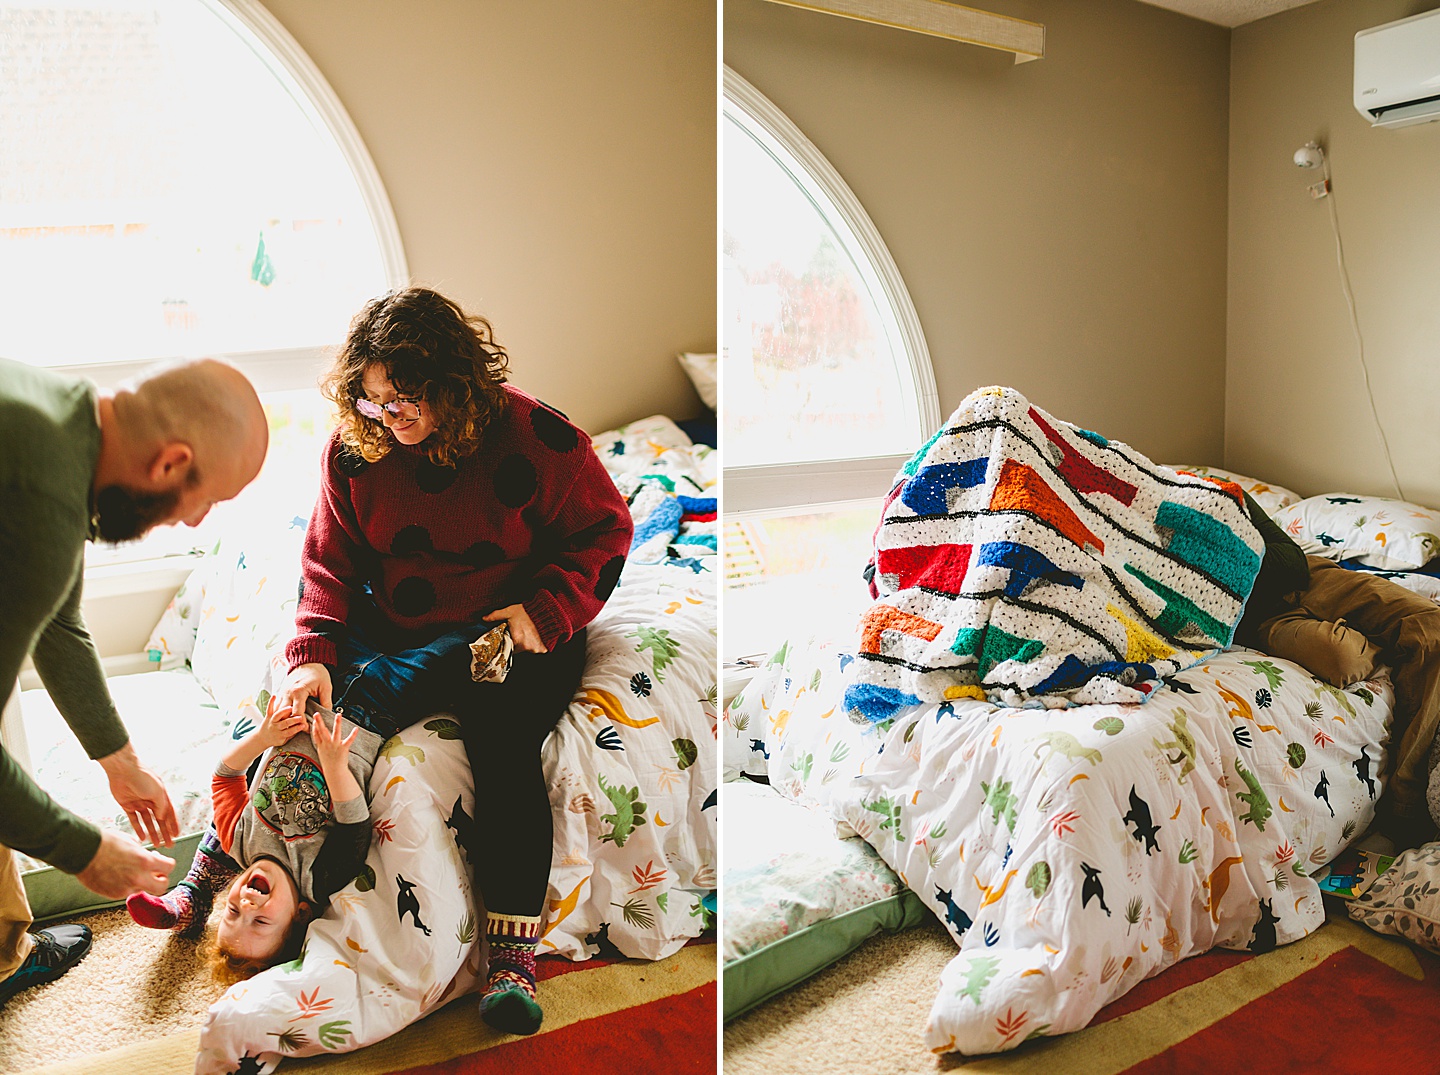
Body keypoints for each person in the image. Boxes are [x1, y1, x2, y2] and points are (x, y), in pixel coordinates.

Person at [275, 287, 632, 1035]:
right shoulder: (355, 449)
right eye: (372, 402)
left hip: (510, 628)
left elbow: (604, 533)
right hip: (402, 620)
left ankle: (511, 961)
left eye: (403, 400)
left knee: (501, 744)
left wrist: (545, 612)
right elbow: (328, 566)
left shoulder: (539, 438)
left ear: (454, 385)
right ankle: (265, 888)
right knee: (311, 715)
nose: (387, 418)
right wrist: (311, 653)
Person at [0, 356, 268, 1004]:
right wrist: (86, 850)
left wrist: (117, 759)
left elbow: (57, 616)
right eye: (206, 501)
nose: (196, 522)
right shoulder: (43, 503)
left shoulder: (59, 414)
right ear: (171, 463)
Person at [1233, 491, 1440, 849]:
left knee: (1432, 627)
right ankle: (1392, 645)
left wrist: (1228, 554)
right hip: (1256, 618)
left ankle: (1404, 808)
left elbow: (1289, 564)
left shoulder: (1219, 493)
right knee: (1345, 661)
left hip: (1313, 578)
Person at [126, 696, 381, 980]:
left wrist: (262, 737)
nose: (246, 906)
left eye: (232, 911)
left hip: (311, 698)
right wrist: (335, 768)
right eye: (259, 921)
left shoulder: (237, 842)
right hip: (372, 716)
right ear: (301, 914)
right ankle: (193, 899)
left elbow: (225, 777)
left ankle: (195, 894)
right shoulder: (318, 880)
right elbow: (355, 828)